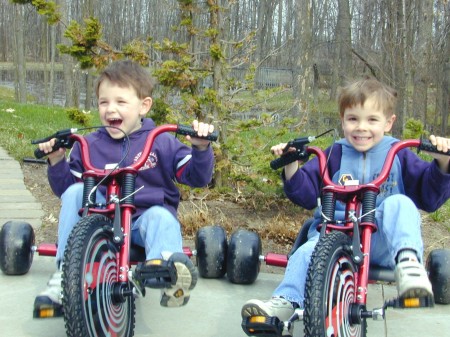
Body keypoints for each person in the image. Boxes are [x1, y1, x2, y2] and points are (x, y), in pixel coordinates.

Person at [241, 77, 450, 322]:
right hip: (331, 237)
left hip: (380, 242)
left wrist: (443, 162)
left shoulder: (399, 154)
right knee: (306, 252)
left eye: (372, 119)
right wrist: (291, 165)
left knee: (401, 204)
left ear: (389, 123)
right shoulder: (334, 154)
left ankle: (408, 264)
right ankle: (286, 303)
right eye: (353, 119)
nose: (361, 127)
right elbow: (306, 193)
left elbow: (430, 196)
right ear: (342, 121)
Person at [34, 59, 216, 313]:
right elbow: (66, 189)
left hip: (141, 223)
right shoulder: (89, 143)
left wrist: (201, 147)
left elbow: (198, 177)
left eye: (121, 102)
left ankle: (166, 270)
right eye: (103, 102)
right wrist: (56, 160)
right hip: (99, 219)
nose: (111, 110)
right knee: (76, 191)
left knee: (161, 218)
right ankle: (66, 275)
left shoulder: (160, 141)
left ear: (144, 106)